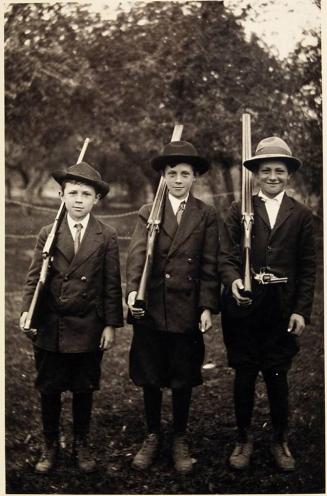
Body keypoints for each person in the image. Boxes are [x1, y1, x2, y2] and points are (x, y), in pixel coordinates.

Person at [19, 162, 124, 474]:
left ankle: (82, 443)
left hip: (88, 326)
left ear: (96, 200)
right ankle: (50, 445)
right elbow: (33, 278)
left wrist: (110, 324)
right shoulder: (47, 233)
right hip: (52, 324)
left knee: (83, 388)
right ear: (61, 195)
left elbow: (111, 283)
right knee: (49, 388)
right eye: (73, 193)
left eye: (86, 194)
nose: (79, 199)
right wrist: (28, 310)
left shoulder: (106, 235)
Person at [219, 136, 316, 472]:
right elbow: (226, 255)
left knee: (277, 375)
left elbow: (307, 268)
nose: (273, 176)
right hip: (244, 308)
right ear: (256, 174)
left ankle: (279, 438)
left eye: (279, 170)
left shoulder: (302, 215)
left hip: (281, 308)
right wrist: (233, 280)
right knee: (244, 373)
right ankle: (243, 437)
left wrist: (301, 310)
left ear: (288, 174)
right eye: (266, 170)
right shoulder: (239, 210)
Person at [126, 140, 220, 474]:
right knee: (150, 373)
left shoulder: (206, 215)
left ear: (195, 177)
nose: (178, 179)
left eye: (184, 173)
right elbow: (137, 256)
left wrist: (207, 305)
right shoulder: (148, 212)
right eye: (171, 173)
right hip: (152, 305)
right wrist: (132, 292)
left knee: (182, 374)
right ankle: (152, 434)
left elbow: (210, 264)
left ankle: (179, 436)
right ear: (163, 177)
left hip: (187, 308)